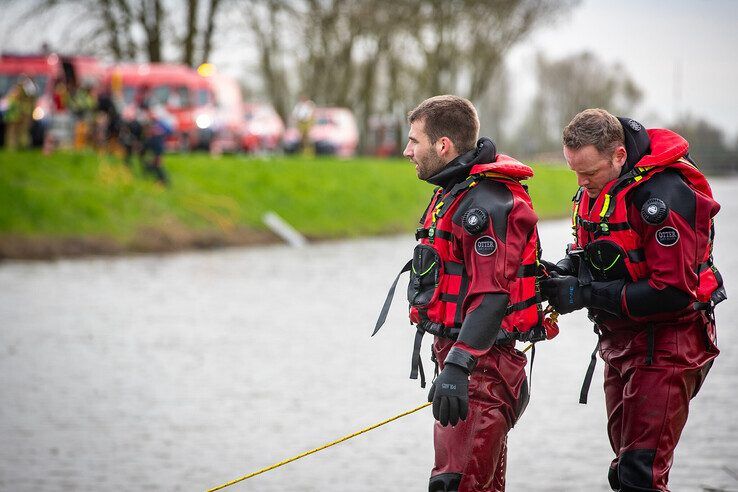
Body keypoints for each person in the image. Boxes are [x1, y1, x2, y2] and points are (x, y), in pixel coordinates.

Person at [374, 95, 557, 491]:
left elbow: (494, 296)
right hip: (466, 364)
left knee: (455, 484)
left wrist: (458, 366)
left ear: (443, 145)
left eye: (414, 142)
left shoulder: (485, 202)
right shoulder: (454, 189)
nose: (407, 151)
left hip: (482, 370)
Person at [540, 108, 725, 492]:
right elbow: (598, 252)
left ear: (619, 156)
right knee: (622, 470)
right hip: (620, 342)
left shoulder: (663, 197)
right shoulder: (596, 188)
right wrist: (564, 271)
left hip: (670, 343)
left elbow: (673, 292)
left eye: (588, 173)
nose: (580, 182)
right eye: (574, 171)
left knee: (639, 474)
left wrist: (585, 294)